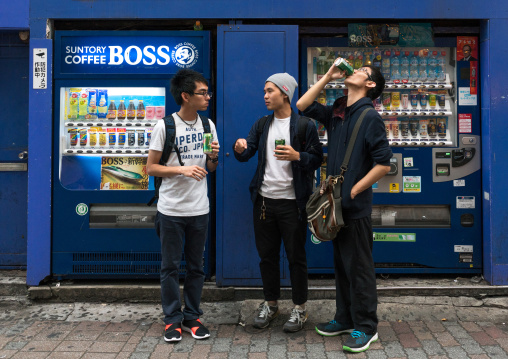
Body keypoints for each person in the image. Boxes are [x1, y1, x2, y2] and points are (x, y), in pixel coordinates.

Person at [296, 62, 392, 352]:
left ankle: (366, 327)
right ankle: (345, 318)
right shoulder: (338, 113)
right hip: (335, 205)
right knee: (342, 265)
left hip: (354, 205)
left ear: (370, 84)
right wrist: (327, 76)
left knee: (360, 267)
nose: (354, 70)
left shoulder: (369, 117)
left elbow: (383, 163)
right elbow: (302, 104)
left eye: (362, 70)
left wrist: (355, 189)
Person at [233, 73, 323, 332]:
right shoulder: (262, 125)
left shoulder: (305, 125)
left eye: (270, 91)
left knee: (296, 258)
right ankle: (271, 304)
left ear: (285, 93)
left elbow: (317, 158)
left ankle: (300, 309)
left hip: (293, 204)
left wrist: (298, 156)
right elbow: (247, 151)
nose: (265, 96)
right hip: (263, 202)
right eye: (264, 91)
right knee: (267, 257)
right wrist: (239, 148)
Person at [147, 69, 220, 343]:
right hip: (171, 210)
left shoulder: (207, 125)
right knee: (169, 267)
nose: (207, 97)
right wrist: (182, 170)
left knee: (196, 267)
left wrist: (212, 158)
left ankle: (192, 316)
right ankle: (171, 319)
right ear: (186, 96)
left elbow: (210, 167)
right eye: (202, 93)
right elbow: (151, 168)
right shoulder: (164, 126)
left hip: (199, 208)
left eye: (207, 92)